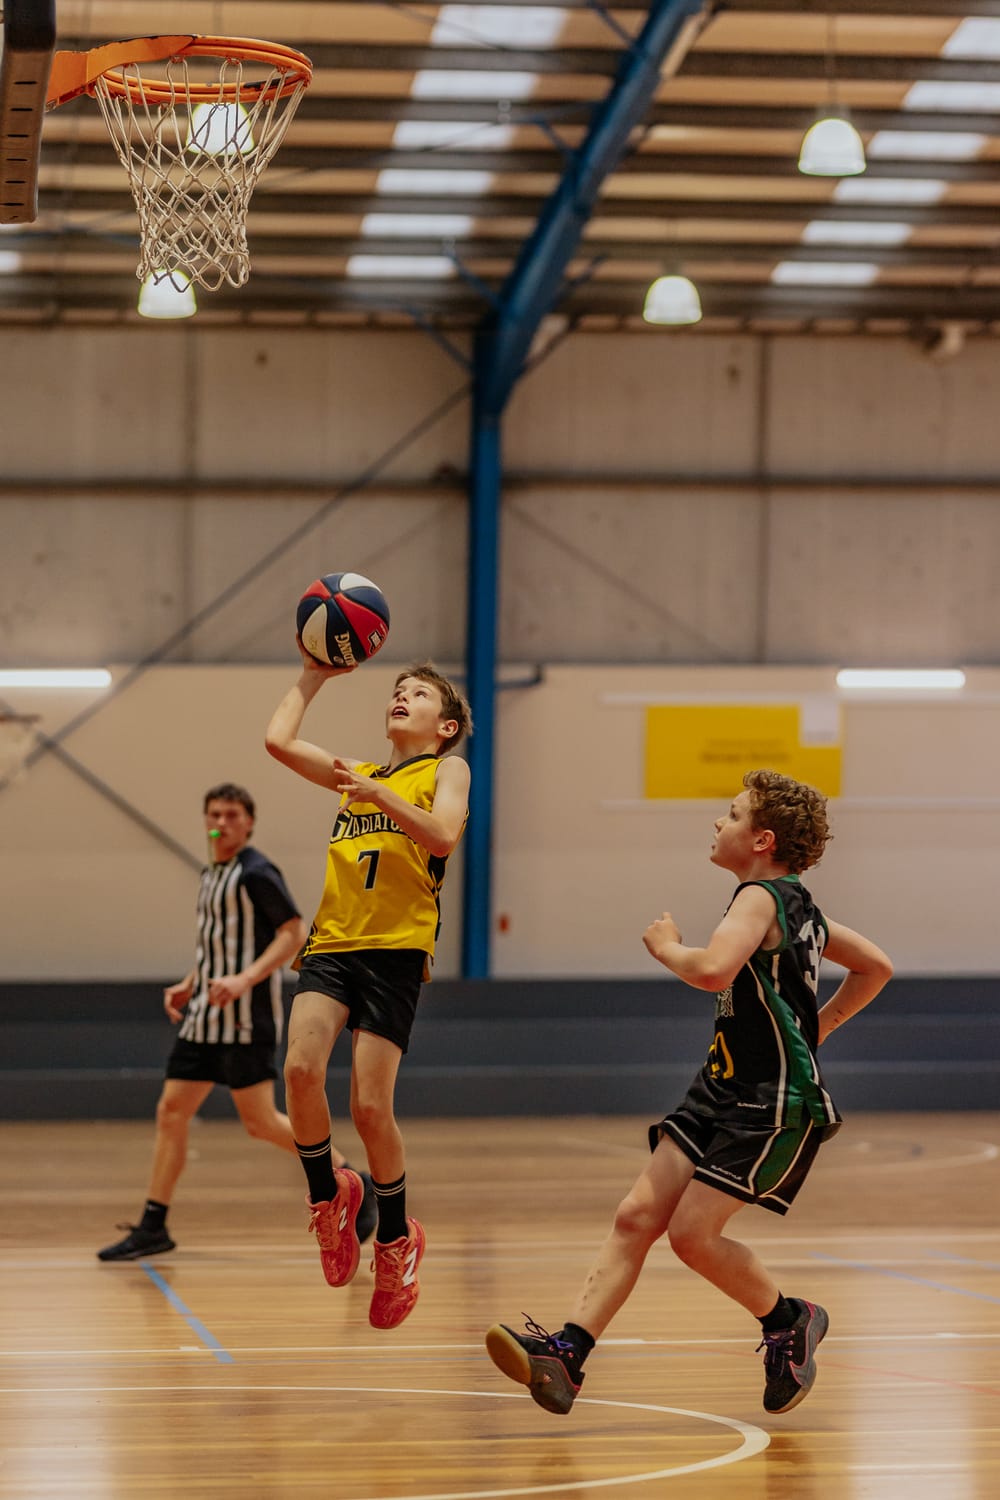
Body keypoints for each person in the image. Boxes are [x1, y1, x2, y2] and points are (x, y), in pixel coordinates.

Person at [485, 768, 893, 1416]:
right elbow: (878, 965)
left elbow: (710, 970)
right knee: (636, 1217)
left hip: (772, 1103)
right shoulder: (799, 908)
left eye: (730, 815)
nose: (717, 823)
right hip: (720, 1089)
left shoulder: (759, 899)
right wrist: (821, 1028)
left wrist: (667, 947)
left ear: (761, 839)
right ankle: (567, 1353)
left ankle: (790, 1318)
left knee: (691, 1235)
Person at [264, 651, 471, 1329]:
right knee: (298, 1072)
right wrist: (313, 676)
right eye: (398, 690)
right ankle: (331, 1197)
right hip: (333, 943)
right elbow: (278, 742)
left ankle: (395, 1239)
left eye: (418, 694)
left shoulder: (446, 770)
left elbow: (442, 837)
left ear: (445, 725)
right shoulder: (364, 772)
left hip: (396, 952)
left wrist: (378, 794)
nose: (402, 697)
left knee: (371, 1108)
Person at [98, 782, 376, 1261]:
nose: (221, 822)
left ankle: (355, 1180)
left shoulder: (256, 872)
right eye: (215, 814)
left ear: (248, 822)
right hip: (204, 1016)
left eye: (231, 815)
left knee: (261, 1122)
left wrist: (245, 979)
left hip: (244, 1018)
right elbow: (218, 944)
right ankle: (153, 1224)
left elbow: (292, 934)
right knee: (171, 1112)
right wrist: (192, 981)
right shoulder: (213, 872)